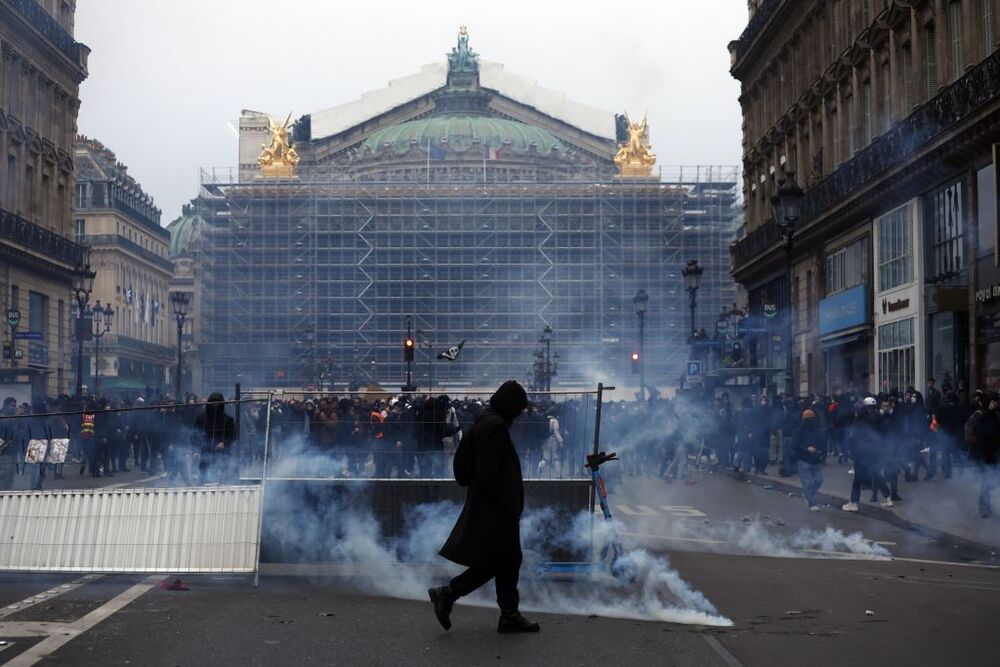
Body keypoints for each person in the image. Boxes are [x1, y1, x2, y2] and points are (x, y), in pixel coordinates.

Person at [428, 380, 539, 634]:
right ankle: (452, 594)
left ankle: (504, 612)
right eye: (519, 408)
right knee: (503, 561)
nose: (520, 414)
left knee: (501, 561)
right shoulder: (494, 426)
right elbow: (489, 473)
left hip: (492, 507)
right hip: (495, 510)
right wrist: (507, 504)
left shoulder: (488, 420)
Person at [967, 395, 1000, 518]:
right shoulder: (981, 415)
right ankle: (984, 508)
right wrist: (989, 412)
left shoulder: (996, 416)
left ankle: (985, 506)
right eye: (992, 403)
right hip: (982, 454)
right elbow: (977, 430)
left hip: (992, 453)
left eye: (996, 403)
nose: (995, 405)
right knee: (986, 481)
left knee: (991, 482)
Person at [194, 392, 237, 484]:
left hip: (222, 454)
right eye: (213, 402)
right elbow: (195, 436)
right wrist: (196, 451)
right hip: (204, 453)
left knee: (222, 479)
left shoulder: (228, 420)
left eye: (218, 402)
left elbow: (233, 435)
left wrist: (224, 443)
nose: (215, 405)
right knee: (203, 478)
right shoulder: (201, 419)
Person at [793, 409, 825, 511]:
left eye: (811, 418)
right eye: (808, 419)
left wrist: (819, 452)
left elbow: (822, 443)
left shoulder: (817, 431)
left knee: (818, 481)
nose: (810, 421)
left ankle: (808, 494)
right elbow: (795, 445)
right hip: (803, 460)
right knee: (808, 483)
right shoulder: (798, 431)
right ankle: (811, 503)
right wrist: (806, 448)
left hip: (815, 460)